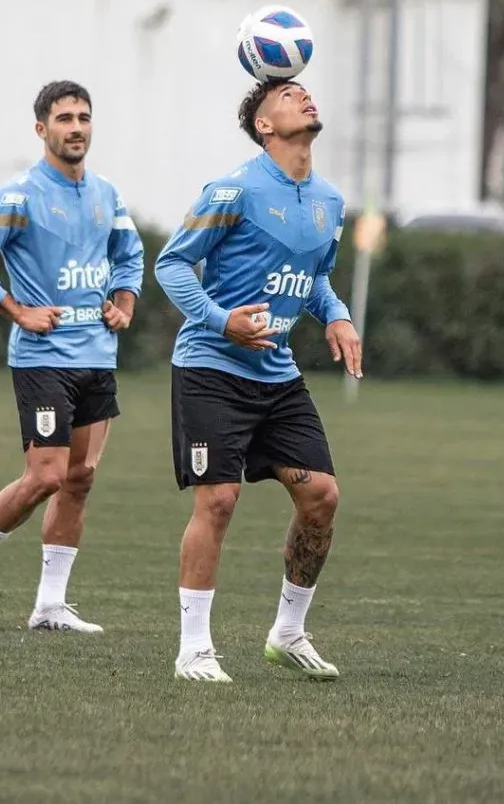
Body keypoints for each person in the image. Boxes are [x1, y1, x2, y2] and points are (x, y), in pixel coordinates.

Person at [154, 78, 362, 683]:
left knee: (322, 495)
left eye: (305, 91)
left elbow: (316, 279)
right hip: (211, 368)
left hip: (277, 374)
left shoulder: (329, 201)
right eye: (287, 95)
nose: (305, 98)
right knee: (218, 500)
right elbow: (170, 264)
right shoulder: (234, 189)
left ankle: (288, 632)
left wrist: (339, 317)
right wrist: (222, 321)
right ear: (265, 125)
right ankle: (194, 649)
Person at [0, 80, 144, 631]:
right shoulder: (19, 194)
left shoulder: (106, 193)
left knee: (80, 477)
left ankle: (50, 605)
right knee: (46, 476)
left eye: (83, 117)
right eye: (63, 119)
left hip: (97, 357)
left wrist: (124, 301)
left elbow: (130, 253)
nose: (76, 127)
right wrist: (17, 309)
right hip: (43, 358)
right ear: (42, 129)